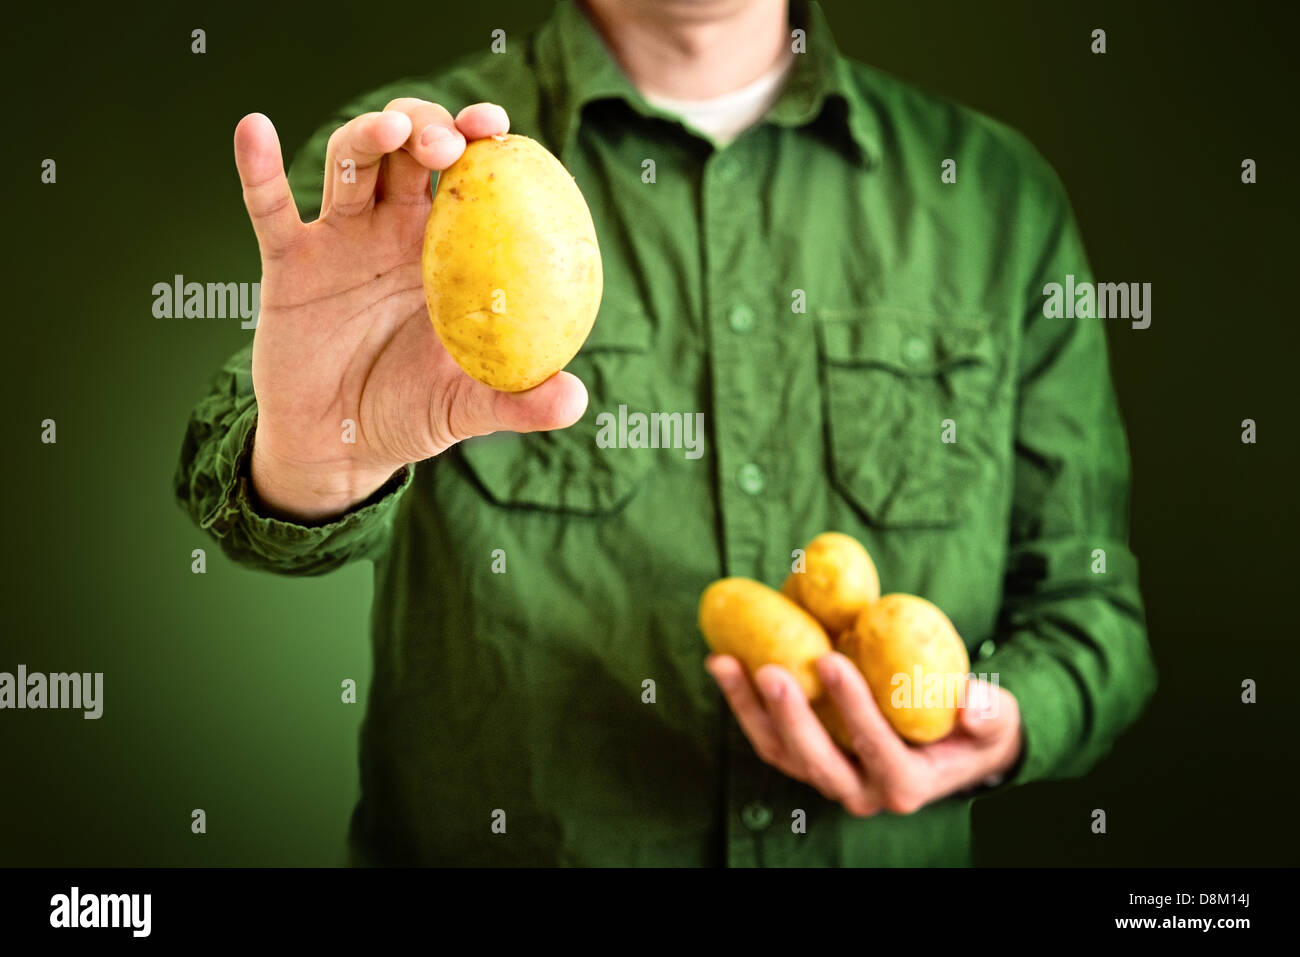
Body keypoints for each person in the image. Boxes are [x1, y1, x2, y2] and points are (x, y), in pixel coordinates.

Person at [175, 0, 1156, 866]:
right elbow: (233, 493)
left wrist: (1002, 718)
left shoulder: (992, 196)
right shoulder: (400, 170)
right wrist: (318, 454)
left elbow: (1091, 609)